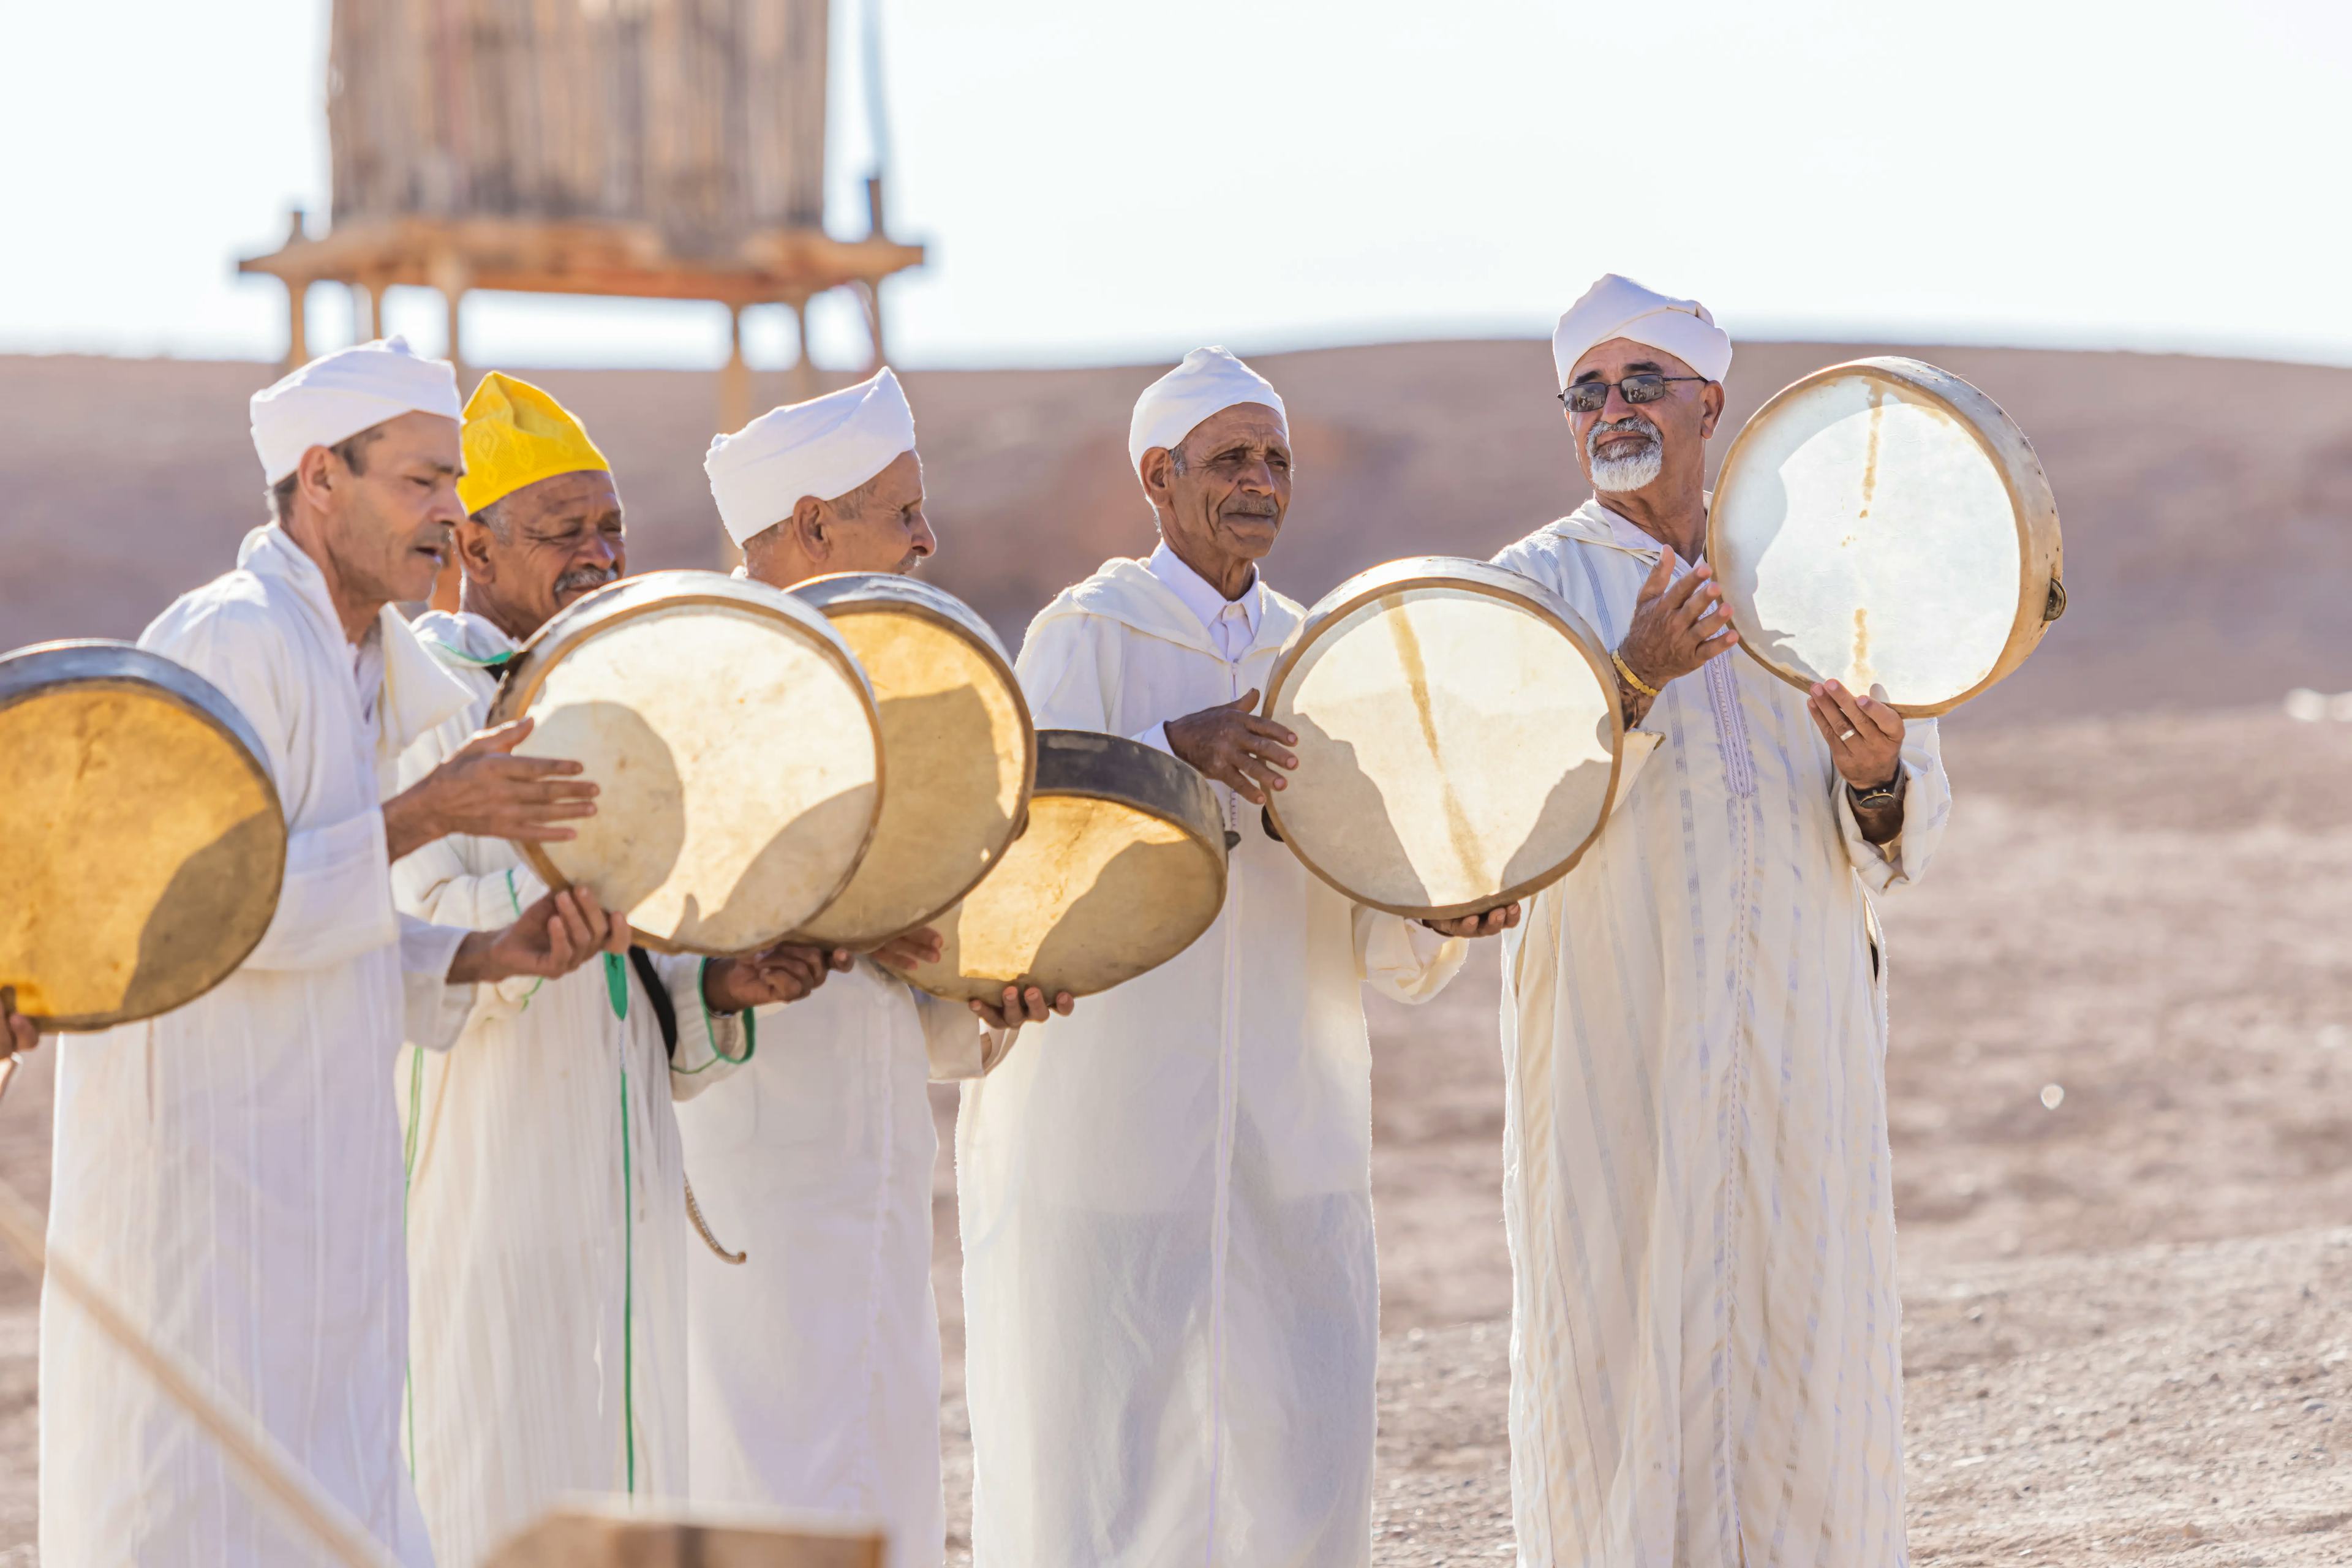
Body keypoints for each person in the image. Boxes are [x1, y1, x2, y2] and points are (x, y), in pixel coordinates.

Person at [40, 337, 627, 1567]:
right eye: (420, 483)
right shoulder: (232, 639)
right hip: (210, 1194)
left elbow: (327, 921)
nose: (449, 514)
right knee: (206, 1508)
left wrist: (478, 955)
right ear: (321, 480)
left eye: (454, 485)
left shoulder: (368, 665)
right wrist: (430, 813)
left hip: (324, 1188)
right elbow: (191, 905)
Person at [956, 347, 1514, 1567]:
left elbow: (1372, 905)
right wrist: (1171, 748)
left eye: (1276, 461)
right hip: (1110, 1143)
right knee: (1107, 1455)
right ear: (1158, 478)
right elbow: (1018, 849)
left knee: (1294, 1455)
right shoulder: (1084, 636)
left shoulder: (1321, 654)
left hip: (1289, 1133)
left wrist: (1444, 910)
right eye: (1230, 460)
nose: (1259, 481)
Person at [1486, 275, 1953, 1567]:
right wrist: (1628, 677)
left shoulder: (1817, 579)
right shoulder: (1529, 587)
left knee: (1803, 1345)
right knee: (1619, 1357)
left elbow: (1913, 821)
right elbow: (1497, 824)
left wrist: (1877, 777)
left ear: (1712, 401)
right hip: (1615, 1053)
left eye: (1644, 383)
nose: (1614, 410)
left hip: (1800, 1048)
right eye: (1588, 391)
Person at [392, 372, 837, 1568]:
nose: (599, 554)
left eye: (611, 528)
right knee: (492, 1436)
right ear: (473, 543)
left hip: (622, 1143)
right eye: (563, 532)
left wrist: (722, 985)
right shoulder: (421, 695)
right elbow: (413, 930)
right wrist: (546, 922)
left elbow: (637, 972)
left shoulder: (624, 683)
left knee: (630, 1435)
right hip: (485, 1151)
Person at [680, 368, 1063, 1568]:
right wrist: (847, 920)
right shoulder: (701, 670)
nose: (929, 537)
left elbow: (932, 928)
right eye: (904, 510)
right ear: (811, 528)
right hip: (746, 1141)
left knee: (879, 1439)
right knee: (762, 1454)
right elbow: (678, 910)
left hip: (874, 1136)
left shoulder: (910, 671)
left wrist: (983, 977)